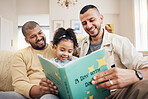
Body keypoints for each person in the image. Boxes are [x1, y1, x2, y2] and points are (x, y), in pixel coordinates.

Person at [76, 4, 148, 99]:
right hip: (86, 95)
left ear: (101, 18)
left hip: (113, 94)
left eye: (92, 20)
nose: (88, 26)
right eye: (84, 23)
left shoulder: (121, 42)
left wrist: (135, 75)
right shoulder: (79, 45)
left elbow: (144, 66)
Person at [9, 21, 59, 99]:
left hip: (51, 93)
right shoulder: (20, 55)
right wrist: (40, 90)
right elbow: (19, 84)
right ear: (27, 40)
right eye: (33, 36)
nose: (39, 38)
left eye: (40, 33)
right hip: (28, 94)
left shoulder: (57, 50)